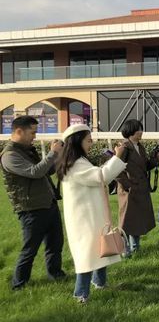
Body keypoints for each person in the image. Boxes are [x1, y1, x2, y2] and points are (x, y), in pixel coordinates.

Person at [57, 124, 127, 303]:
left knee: (100, 249)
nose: (91, 144)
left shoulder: (78, 162)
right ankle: (80, 294)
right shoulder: (75, 165)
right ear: (77, 141)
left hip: (90, 216)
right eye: (88, 140)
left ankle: (100, 283)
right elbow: (102, 176)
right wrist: (118, 157)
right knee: (87, 256)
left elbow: (98, 175)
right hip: (84, 219)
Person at [1, 116, 66, 290]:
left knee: (55, 244)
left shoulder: (28, 150)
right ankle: (19, 284)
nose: (35, 136)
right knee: (29, 250)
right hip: (31, 210)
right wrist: (52, 153)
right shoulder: (9, 155)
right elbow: (35, 172)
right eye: (33, 132)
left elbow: (46, 171)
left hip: (48, 205)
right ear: (19, 131)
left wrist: (58, 156)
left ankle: (56, 274)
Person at [115, 119, 158, 256]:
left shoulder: (140, 146)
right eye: (138, 129)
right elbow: (115, 170)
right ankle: (124, 249)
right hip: (129, 190)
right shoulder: (124, 148)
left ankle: (135, 247)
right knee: (126, 221)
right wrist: (128, 186)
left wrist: (156, 159)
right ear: (130, 131)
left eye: (141, 128)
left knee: (137, 220)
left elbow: (144, 166)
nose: (141, 131)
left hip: (140, 188)